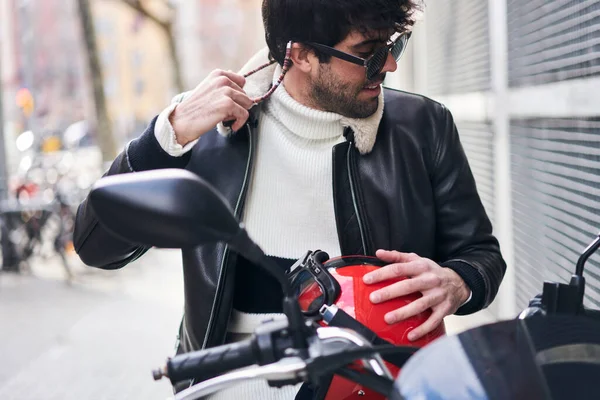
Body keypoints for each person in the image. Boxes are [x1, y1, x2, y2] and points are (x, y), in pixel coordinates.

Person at [73, 0, 506, 398]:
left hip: (381, 385)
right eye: (370, 51)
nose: (389, 64)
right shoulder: (209, 135)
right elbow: (97, 248)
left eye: (395, 45)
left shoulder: (423, 126)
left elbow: (481, 255)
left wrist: (458, 282)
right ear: (299, 54)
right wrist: (165, 138)